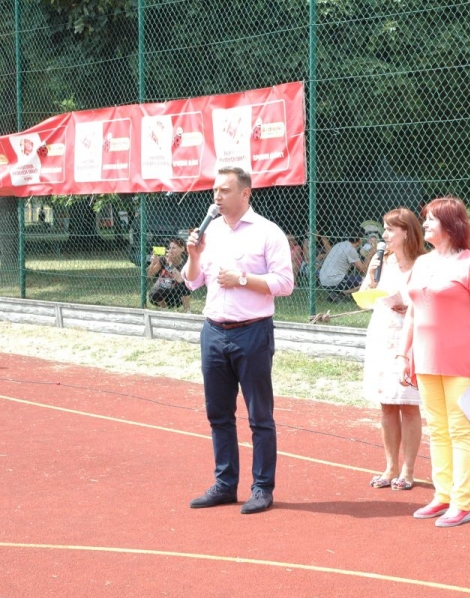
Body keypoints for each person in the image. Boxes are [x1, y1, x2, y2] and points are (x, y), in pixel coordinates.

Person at [183, 166, 295, 514]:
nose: (217, 196)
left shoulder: (267, 232)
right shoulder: (210, 231)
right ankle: (224, 484)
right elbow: (192, 282)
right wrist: (193, 256)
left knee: (259, 416)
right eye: (215, 190)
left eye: (225, 190)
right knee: (218, 414)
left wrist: (243, 279)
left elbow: (285, 284)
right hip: (214, 331)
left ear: (245, 193)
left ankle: (262, 487)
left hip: (252, 332)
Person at [397, 196, 470, 528]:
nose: (424, 224)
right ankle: (442, 495)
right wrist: (403, 354)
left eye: (431, 219)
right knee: (437, 428)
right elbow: (412, 313)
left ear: (450, 225)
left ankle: (461, 503)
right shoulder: (422, 263)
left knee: (459, 430)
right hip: (425, 359)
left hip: (460, 359)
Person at [360, 208, 427, 491]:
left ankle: (408, 469)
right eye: (385, 229)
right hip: (382, 333)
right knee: (387, 403)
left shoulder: (423, 264)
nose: (385, 235)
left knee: (408, 405)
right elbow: (365, 300)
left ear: (406, 232)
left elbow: (431, 301)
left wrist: (409, 306)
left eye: (390, 229)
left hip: (409, 337)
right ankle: (390, 467)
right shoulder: (382, 261)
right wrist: (370, 276)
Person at [318, 233, 370, 302]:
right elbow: (363, 270)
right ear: (360, 239)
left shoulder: (339, 244)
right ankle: (343, 293)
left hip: (323, 280)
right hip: (335, 280)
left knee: (356, 278)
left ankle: (336, 293)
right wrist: (371, 254)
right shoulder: (350, 249)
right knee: (368, 281)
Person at [147, 238, 191, 312]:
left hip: (177, 296)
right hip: (163, 291)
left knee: (184, 284)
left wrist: (170, 263)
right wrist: (153, 263)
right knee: (153, 293)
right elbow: (149, 275)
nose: (170, 250)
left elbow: (180, 279)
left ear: (182, 249)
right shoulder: (163, 259)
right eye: (170, 248)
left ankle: (187, 310)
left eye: (174, 248)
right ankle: (163, 308)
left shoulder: (186, 262)